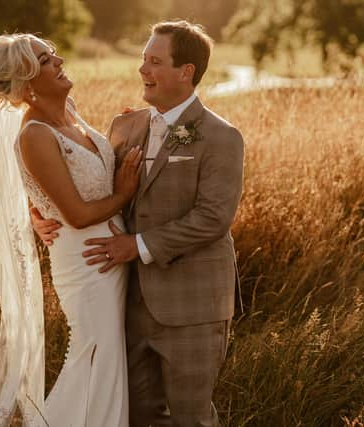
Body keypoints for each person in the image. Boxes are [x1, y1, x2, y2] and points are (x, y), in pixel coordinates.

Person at [32, 21, 245, 427]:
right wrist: (39, 213)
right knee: (135, 415)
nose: (142, 70)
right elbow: (81, 179)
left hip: (192, 306)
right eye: (143, 60)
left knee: (191, 419)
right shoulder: (124, 126)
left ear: (186, 72)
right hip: (127, 303)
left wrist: (137, 245)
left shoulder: (221, 137)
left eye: (155, 62)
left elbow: (213, 218)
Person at [0, 33, 142, 427]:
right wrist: (125, 193)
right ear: (27, 85)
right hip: (86, 262)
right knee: (94, 353)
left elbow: (72, 175)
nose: (59, 61)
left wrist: (127, 128)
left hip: (111, 254)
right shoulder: (34, 135)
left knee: (107, 357)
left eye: (53, 54)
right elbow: (76, 214)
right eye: (46, 60)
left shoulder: (70, 111)